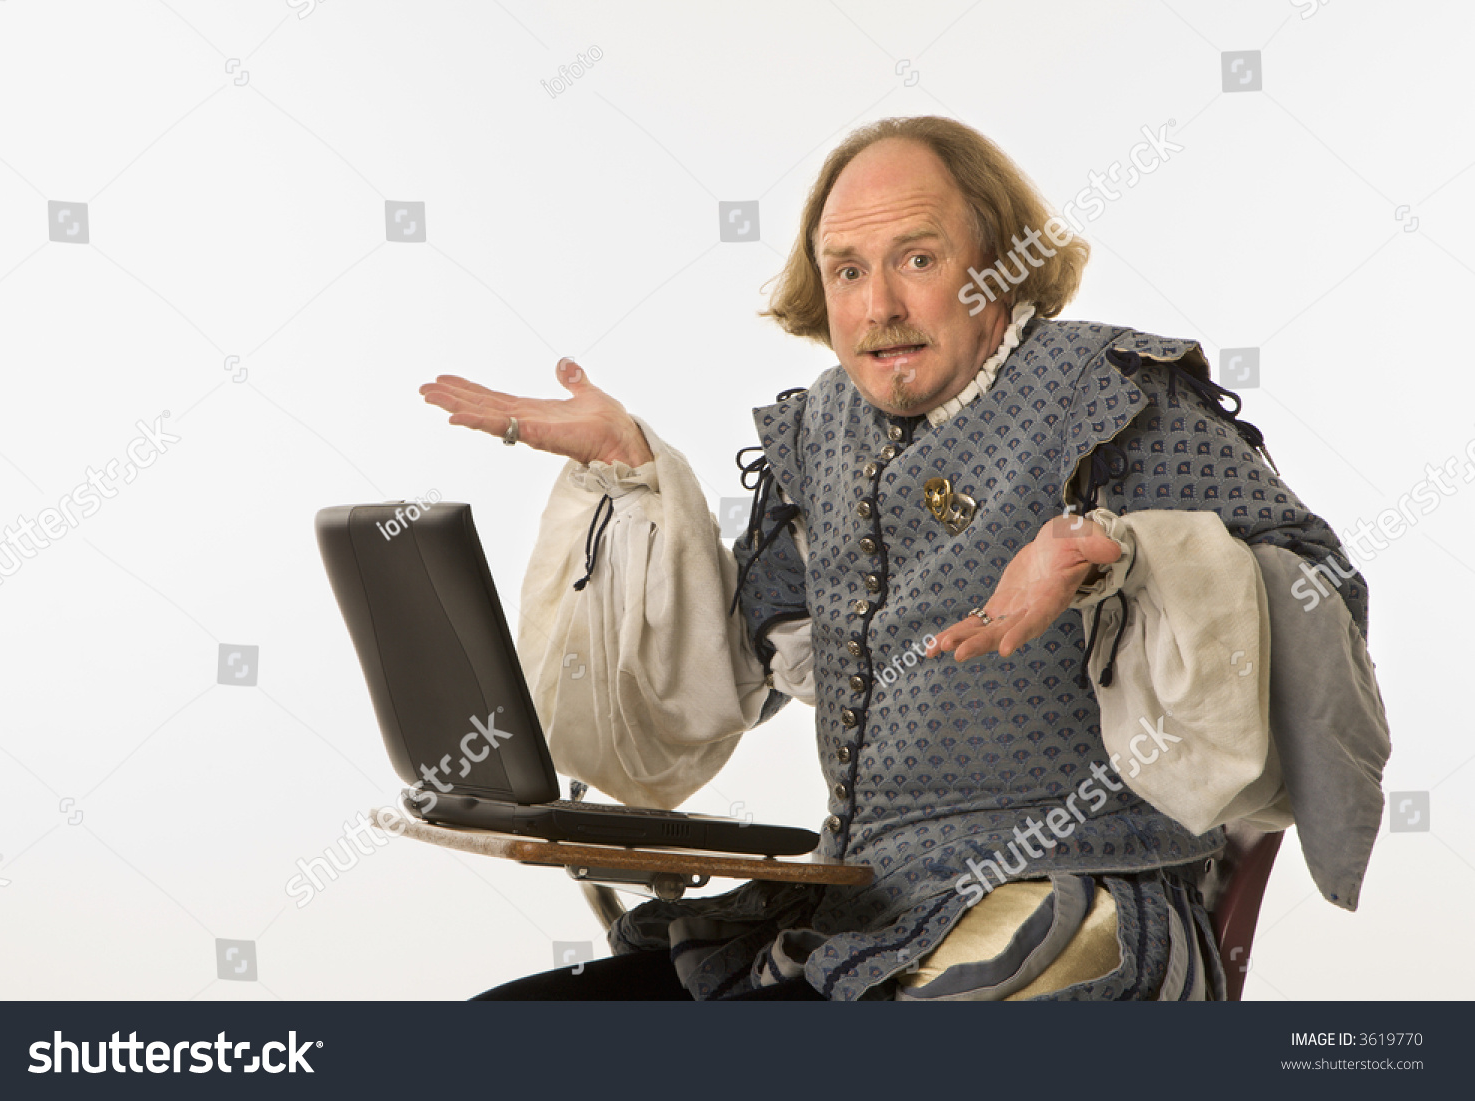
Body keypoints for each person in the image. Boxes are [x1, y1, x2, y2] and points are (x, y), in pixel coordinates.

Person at [422, 116, 1390, 1001]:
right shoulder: (820, 432)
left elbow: (1318, 585)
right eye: (846, 270)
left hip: (1079, 903)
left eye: (917, 259)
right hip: (864, 913)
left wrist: (1116, 549)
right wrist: (632, 475)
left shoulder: (1108, 396)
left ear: (1000, 268)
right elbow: (736, 670)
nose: (878, 305)